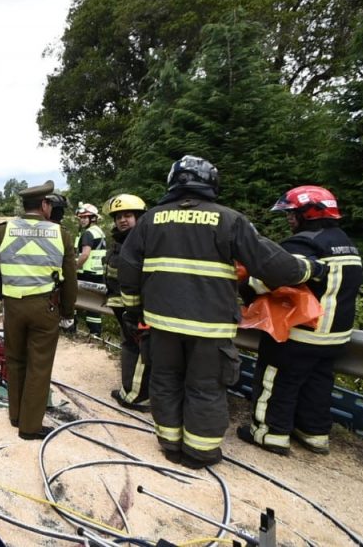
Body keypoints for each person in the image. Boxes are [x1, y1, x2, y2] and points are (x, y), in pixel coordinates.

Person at [118, 155, 323, 469]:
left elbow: (129, 267)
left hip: (162, 325)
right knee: (206, 387)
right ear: (210, 184)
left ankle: (170, 444)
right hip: (210, 328)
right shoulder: (230, 220)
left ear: (173, 183)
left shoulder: (150, 219)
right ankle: (199, 453)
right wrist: (308, 269)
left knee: (165, 381)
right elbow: (270, 263)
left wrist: (132, 310)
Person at [238, 186, 363, 456]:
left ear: (310, 212)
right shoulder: (345, 242)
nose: (289, 219)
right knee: (317, 384)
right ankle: (314, 433)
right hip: (336, 337)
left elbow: (270, 280)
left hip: (301, 333)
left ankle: (269, 433)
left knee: (277, 380)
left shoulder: (303, 243)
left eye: (293, 213)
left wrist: (245, 286)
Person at [0, 180, 77, 440]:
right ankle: (30, 427)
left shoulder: (4, 230)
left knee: (14, 361)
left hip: (13, 306)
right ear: (45, 204)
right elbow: (70, 280)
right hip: (45, 307)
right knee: (39, 365)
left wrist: (12, 281)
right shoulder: (61, 234)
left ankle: (15, 417)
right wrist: (67, 313)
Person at [103, 194, 151, 412]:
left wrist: (137, 311)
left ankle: (138, 397)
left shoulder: (144, 242)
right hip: (122, 306)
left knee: (142, 350)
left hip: (139, 309)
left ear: (139, 216)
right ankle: (128, 389)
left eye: (128, 215)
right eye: (119, 217)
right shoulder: (119, 242)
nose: (122, 220)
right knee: (130, 347)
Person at [73, 203, 106, 336]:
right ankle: (95, 333)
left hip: (85, 273)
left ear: (93, 218)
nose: (82, 220)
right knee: (94, 306)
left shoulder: (88, 233)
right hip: (98, 273)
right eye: (80, 217)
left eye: (85, 217)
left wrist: (75, 267)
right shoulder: (99, 231)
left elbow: (85, 254)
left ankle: (71, 328)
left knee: (75, 300)